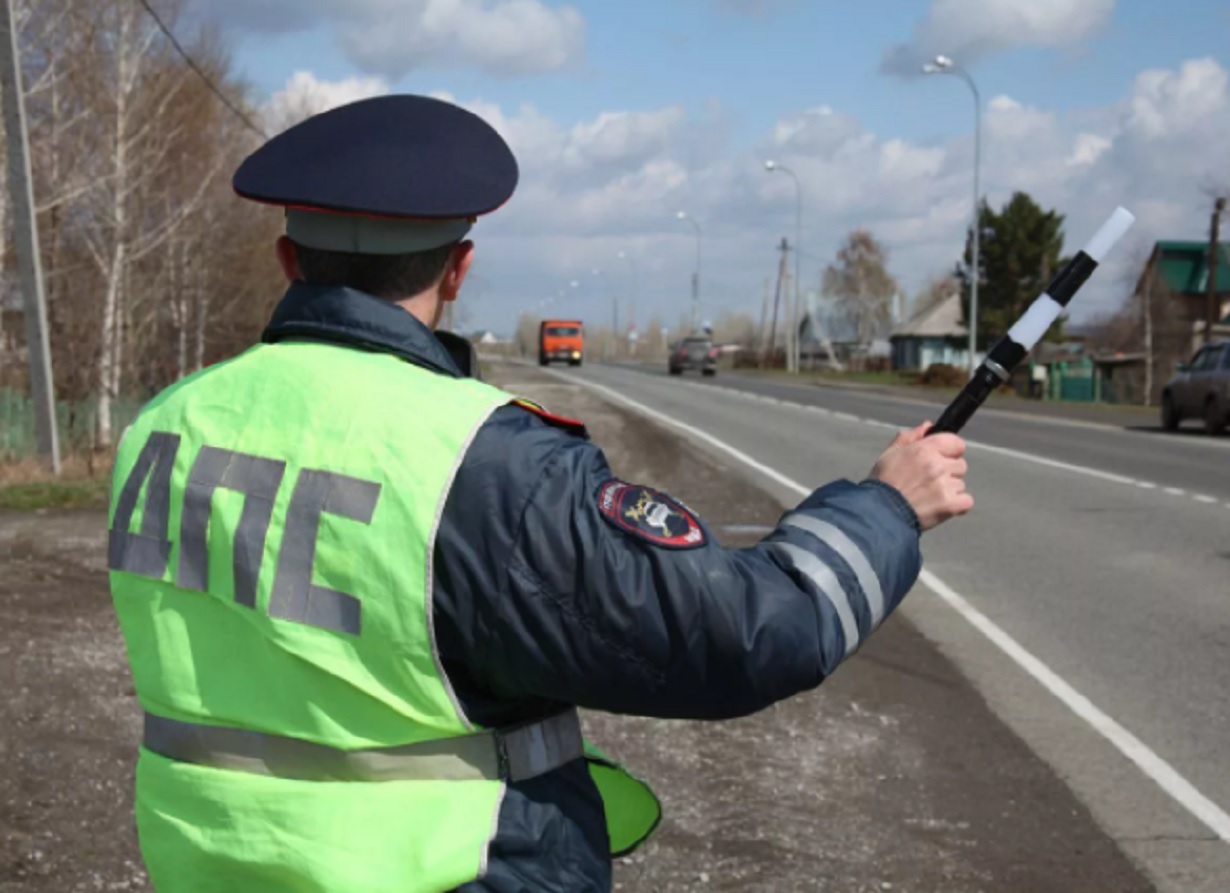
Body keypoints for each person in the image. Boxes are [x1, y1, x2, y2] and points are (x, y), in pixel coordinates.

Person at [106, 94, 973, 893]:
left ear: (289, 257)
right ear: (459, 269)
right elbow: (744, 633)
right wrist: (888, 506)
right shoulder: (484, 462)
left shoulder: (163, 424)